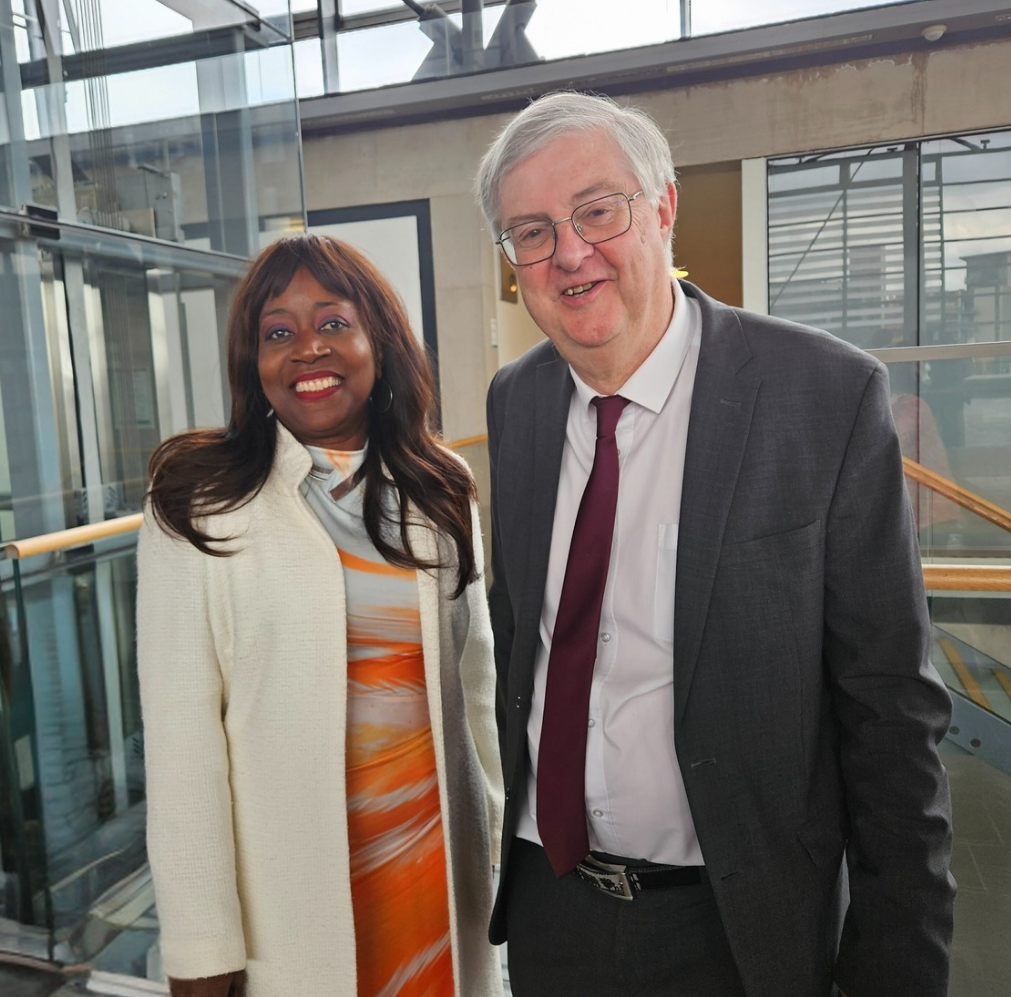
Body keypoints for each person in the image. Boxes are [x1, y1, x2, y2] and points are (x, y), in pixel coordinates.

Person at [476, 91, 955, 997]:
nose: (568, 253)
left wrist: (897, 963)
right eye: (530, 231)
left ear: (662, 205)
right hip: (550, 911)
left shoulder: (823, 395)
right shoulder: (517, 401)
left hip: (738, 926)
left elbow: (890, 708)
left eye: (597, 210)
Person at [136, 233, 503, 997]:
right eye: (278, 332)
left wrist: (501, 852)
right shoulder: (194, 499)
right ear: (252, 359)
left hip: (436, 877)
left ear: (379, 339)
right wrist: (201, 947)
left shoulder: (442, 485)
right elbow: (182, 744)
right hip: (291, 904)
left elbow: (476, 691)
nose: (307, 349)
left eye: (333, 322)